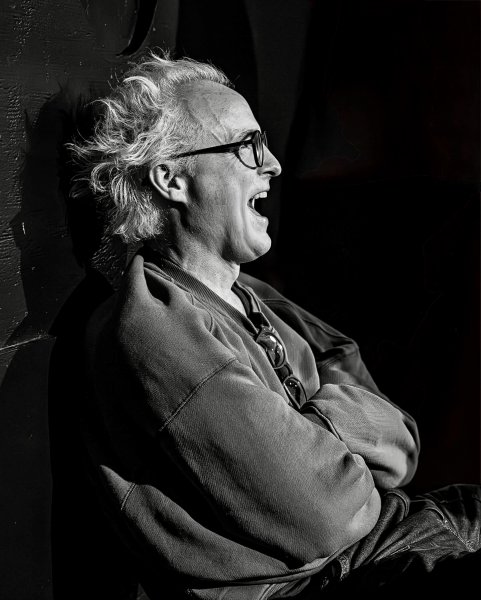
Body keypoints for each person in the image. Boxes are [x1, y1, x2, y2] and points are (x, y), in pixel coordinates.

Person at [59, 51, 480, 599]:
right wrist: (338, 436)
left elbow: (402, 440)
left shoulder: (251, 295)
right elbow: (328, 512)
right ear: (171, 178)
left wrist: (311, 432)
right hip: (335, 580)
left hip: (400, 532)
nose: (274, 164)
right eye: (247, 146)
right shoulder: (154, 326)